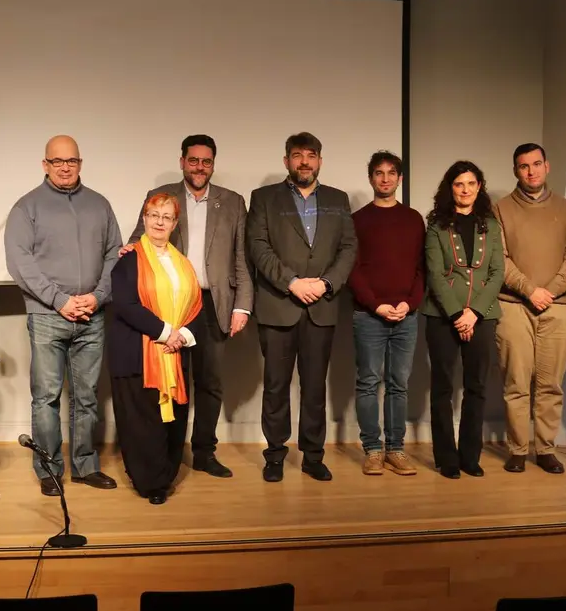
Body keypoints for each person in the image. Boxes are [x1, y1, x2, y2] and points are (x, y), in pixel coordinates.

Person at [125, 134, 252, 478]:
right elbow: (141, 238)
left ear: (213, 164)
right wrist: (127, 252)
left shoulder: (233, 202)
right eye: (193, 160)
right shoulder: (161, 198)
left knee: (210, 382)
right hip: (170, 304)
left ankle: (204, 452)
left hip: (213, 304)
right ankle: (167, 449)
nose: (199, 167)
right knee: (171, 378)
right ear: (182, 162)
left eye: (206, 161)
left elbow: (242, 257)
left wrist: (242, 306)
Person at [4, 135, 121, 496]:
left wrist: (99, 296)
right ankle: (49, 470)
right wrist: (59, 301)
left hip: (92, 315)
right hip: (47, 316)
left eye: (72, 161)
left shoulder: (99, 205)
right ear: (45, 165)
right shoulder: (27, 207)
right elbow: (19, 263)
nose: (65, 167)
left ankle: (85, 467)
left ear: (80, 163)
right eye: (58, 162)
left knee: (87, 397)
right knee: (47, 397)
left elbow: (114, 254)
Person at [246, 132, 357, 483]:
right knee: (276, 386)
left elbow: (348, 248)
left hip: (321, 306)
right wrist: (292, 282)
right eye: (297, 155)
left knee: (314, 386)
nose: (304, 161)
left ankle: (312, 456)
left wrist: (325, 284)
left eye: (311, 155)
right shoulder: (264, 198)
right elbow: (259, 246)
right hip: (279, 305)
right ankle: (275, 455)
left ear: (320, 161)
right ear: (286, 161)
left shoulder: (338, 200)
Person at [110, 193, 202, 504]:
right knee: (143, 422)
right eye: (153, 215)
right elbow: (125, 305)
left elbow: (197, 307)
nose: (159, 222)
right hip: (138, 356)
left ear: (175, 223)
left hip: (174, 355)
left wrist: (182, 336)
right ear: (144, 219)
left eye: (166, 217)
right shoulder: (129, 260)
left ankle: (165, 477)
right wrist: (165, 332)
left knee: (173, 420)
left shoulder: (183, 263)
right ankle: (149, 482)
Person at [493, 143, 566, 474]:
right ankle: (517, 449)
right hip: (513, 305)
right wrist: (530, 291)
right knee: (516, 383)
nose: (531, 171)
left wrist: (549, 292)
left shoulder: (565, 209)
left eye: (536, 164)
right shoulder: (501, 208)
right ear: (516, 170)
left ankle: (545, 449)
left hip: (558, 308)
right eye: (524, 166)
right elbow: (499, 258)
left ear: (547, 166)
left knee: (550, 385)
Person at [421, 161, 505, 479]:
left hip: (482, 317)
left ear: (479, 187)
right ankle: (446, 458)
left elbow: (497, 273)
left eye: (471, 183)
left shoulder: (491, 226)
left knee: (477, 387)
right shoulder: (436, 225)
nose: (465, 189)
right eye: (459, 184)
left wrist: (474, 313)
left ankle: (471, 456)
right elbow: (435, 274)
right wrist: (458, 314)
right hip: (442, 317)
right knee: (443, 387)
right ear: (450, 188)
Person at [349, 150, 425, 476]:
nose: (385, 178)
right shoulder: (358, 220)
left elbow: (422, 269)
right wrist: (375, 305)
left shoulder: (413, 219)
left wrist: (410, 303)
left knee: (399, 384)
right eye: (378, 173)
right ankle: (372, 449)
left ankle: (396, 449)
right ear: (370, 178)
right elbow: (351, 270)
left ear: (400, 178)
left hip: (407, 315)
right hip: (369, 315)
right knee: (368, 383)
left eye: (391, 173)